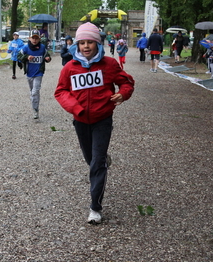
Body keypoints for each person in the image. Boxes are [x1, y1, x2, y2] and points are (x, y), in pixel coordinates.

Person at [54, 22, 135, 224]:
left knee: (97, 164)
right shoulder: (69, 68)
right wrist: (75, 107)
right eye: (82, 42)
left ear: (97, 43)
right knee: (90, 160)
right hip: (80, 120)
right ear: (77, 45)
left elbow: (126, 81)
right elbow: (61, 91)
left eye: (90, 42)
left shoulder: (109, 64)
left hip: (102, 120)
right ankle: (101, 159)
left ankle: (95, 208)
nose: (86, 46)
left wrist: (123, 94)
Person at [18, 29, 51, 119]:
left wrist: (48, 58)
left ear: (39, 38)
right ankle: (34, 101)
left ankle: (35, 110)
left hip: (39, 72)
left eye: (36, 38)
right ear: (29, 38)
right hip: (29, 73)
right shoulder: (25, 48)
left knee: (35, 91)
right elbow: (19, 56)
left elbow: (47, 56)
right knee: (32, 92)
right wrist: (27, 57)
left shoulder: (42, 47)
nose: (35, 40)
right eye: (33, 38)